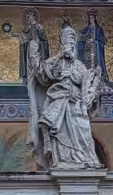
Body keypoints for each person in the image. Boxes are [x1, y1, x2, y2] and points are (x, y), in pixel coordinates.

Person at [28, 25, 106, 171]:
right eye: (65, 41)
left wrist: (91, 92)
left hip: (75, 105)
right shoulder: (54, 61)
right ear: (61, 43)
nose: (68, 44)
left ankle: (84, 159)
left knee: (81, 131)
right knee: (53, 127)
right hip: (57, 100)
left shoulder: (79, 65)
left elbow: (87, 84)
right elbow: (42, 75)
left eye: (70, 42)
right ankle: (60, 158)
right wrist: (35, 54)